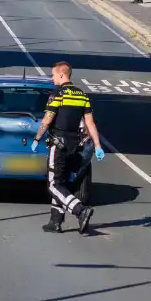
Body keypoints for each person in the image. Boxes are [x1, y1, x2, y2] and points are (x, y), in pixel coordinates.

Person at [32, 62, 106, 234]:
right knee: (61, 182)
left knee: (52, 184)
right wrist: (97, 145)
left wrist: (37, 138)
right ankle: (55, 221)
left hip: (58, 144)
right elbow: (90, 123)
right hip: (74, 146)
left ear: (61, 75)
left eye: (53, 75)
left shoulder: (58, 94)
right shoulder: (82, 95)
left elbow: (47, 118)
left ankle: (80, 210)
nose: (51, 78)